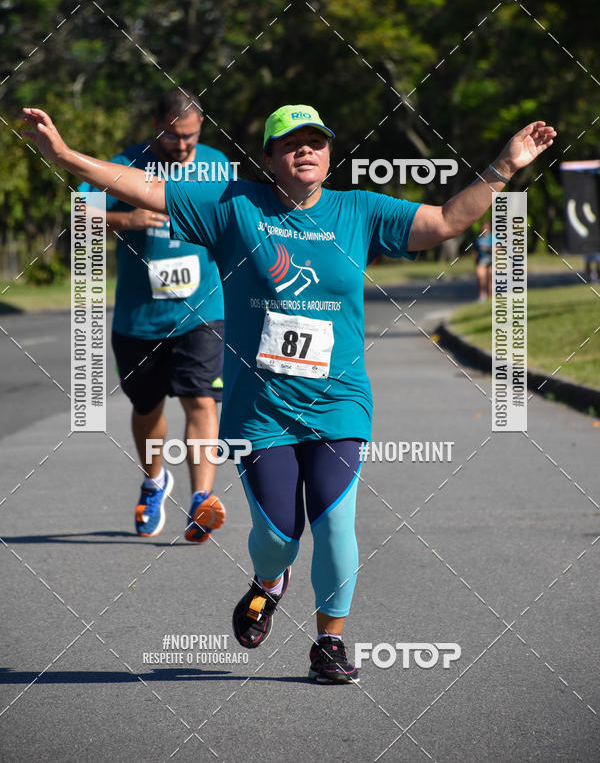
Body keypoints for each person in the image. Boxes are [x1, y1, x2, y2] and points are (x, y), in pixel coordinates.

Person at [22, 103, 555, 683]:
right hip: (260, 410)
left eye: (317, 142)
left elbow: (450, 219)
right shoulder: (234, 206)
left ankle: (329, 642)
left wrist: (505, 165)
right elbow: (145, 189)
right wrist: (67, 156)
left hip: (338, 401)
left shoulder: (360, 209)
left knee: (335, 524)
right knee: (278, 537)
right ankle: (269, 581)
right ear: (270, 157)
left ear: (329, 153)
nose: (306, 150)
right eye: (291, 143)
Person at [79, 89, 230, 544]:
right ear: (154, 124)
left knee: (202, 399)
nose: (182, 145)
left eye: (190, 136)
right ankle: (153, 480)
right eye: (172, 135)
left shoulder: (217, 164)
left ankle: (201, 500)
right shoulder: (125, 164)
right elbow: (78, 217)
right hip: (139, 315)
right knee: (147, 409)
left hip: (203, 309)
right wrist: (127, 220)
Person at [474, 220, 494, 300]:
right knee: (480, 276)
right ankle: (482, 294)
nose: (484, 229)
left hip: (491, 260)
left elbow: (498, 249)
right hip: (481, 261)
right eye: (483, 227)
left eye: (486, 227)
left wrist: (487, 249)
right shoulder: (478, 238)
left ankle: (490, 295)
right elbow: (475, 250)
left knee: (490, 275)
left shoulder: (493, 237)